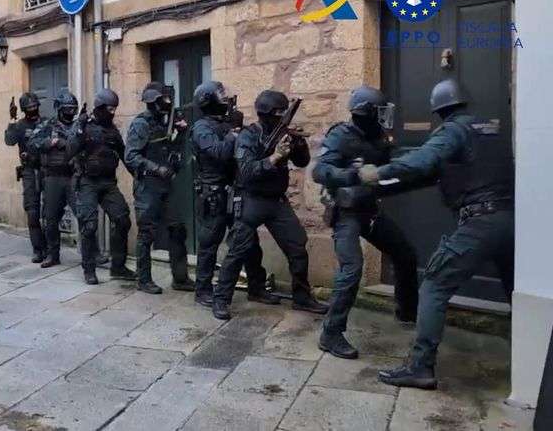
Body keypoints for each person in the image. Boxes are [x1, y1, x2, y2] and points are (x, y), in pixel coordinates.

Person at [357, 79, 514, 390]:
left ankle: (421, 367)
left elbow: (423, 161)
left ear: (439, 110)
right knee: (516, 291)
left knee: (434, 285)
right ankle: (533, 360)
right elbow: (435, 174)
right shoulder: (490, 129)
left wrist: (378, 172)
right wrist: (383, 187)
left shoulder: (453, 131)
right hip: (510, 221)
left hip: (480, 223)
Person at [313, 86, 418, 359]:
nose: (385, 116)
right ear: (366, 113)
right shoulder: (340, 135)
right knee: (352, 269)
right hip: (346, 214)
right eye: (380, 111)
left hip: (370, 211)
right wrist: (351, 175)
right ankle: (330, 334)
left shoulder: (379, 136)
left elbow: (392, 161)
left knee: (405, 254)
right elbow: (319, 171)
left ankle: (407, 312)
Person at [213, 90, 328, 320]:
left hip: (276, 200)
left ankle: (302, 297)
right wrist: (274, 157)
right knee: (238, 249)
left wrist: (298, 144)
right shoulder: (248, 136)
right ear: (265, 114)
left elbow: (302, 162)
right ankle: (221, 299)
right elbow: (247, 172)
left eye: (282, 113)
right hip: (250, 198)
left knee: (297, 245)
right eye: (277, 113)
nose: (280, 118)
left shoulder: (283, 133)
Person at [191, 81, 277, 308]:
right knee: (209, 244)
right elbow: (219, 153)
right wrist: (233, 133)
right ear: (208, 101)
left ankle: (256, 287)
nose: (226, 99)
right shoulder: (201, 128)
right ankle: (203, 290)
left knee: (249, 241)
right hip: (214, 194)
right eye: (221, 96)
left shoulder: (226, 123)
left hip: (235, 192)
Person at [125, 82, 195, 294]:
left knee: (178, 228)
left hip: (165, 185)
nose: (166, 104)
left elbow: (170, 149)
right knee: (146, 234)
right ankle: (143, 279)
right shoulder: (141, 124)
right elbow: (131, 156)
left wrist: (181, 133)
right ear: (153, 103)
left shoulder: (164, 123)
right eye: (162, 100)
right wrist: (156, 168)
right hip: (148, 185)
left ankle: (180, 278)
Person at [67, 88, 137, 285]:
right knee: (89, 226)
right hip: (87, 182)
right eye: (109, 109)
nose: (112, 113)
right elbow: (70, 151)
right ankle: (89, 269)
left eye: (114, 109)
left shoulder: (112, 130)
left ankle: (118, 267)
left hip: (108, 182)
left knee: (122, 220)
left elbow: (124, 155)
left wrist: (138, 176)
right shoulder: (84, 126)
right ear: (100, 107)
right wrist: (79, 128)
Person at [29, 89, 79, 268]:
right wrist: (50, 143)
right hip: (52, 178)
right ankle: (53, 254)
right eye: (67, 109)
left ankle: (92, 254)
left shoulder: (78, 126)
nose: (70, 113)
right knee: (50, 219)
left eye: (73, 109)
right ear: (59, 109)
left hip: (73, 176)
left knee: (84, 215)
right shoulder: (48, 126)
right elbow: (32, 143)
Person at [5, 92, 47, 263]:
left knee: (51, 212)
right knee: (32, 212)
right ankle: (38, 249)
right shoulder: (20, 125)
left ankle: (52, 249)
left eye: (35, 106)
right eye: (29, 108)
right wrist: (12, 120)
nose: (33, 110)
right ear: (23, 109)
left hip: (47, 170)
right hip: (29, 172)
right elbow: (9, 141)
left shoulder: (46, 123)